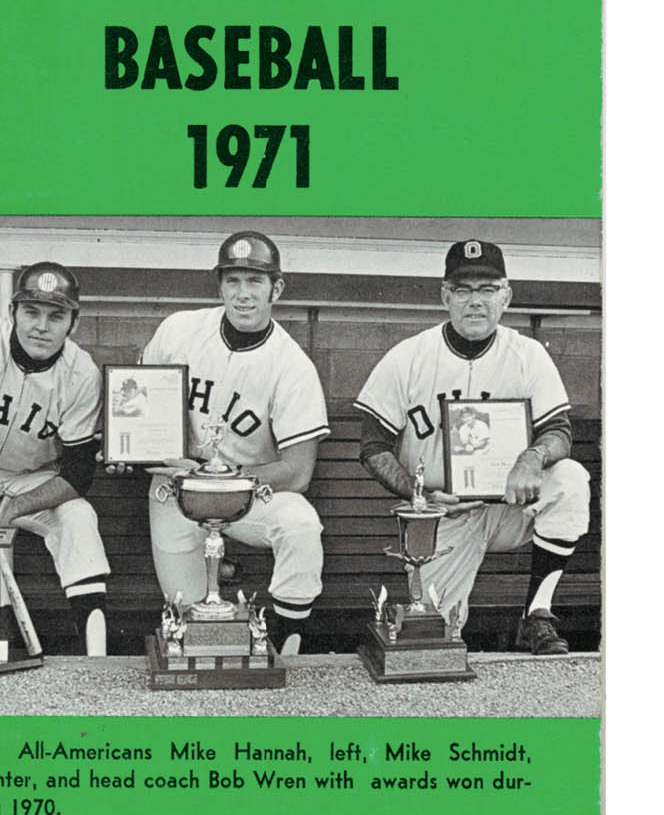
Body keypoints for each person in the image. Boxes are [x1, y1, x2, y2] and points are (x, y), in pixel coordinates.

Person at [353, 238, 591, 653]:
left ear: (506, 296)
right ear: (445, 296)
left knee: (570, 479)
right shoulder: (407, 357)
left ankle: (536, 614)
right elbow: (373, 445)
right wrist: (421, 494)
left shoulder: (527, 355)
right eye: (463, 290)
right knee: (432, 637)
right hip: (441, 514)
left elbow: (559, 430)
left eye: (487, 289)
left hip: (510, 507)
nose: (475, 302)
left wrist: (532, 458)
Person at [140, 230, 328, 653]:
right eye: (233, 281)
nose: (243, 294)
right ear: (219, 284)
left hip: (249, 496)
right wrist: (127, 449)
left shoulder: (292, 366)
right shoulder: (178, 331)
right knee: (187, 626)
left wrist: (219, 476)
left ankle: (284, 647)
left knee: (299, 525)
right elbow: (138, 402)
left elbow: (297, 472)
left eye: (255, 282)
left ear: (276, 288)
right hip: (176, 492)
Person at [0, 262, 109, 655]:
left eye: (56, 315)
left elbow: (78, 473)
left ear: (73, 324)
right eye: (31, 312)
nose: (41, 326)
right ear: (13, 312)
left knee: (79, 517)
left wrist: (14, 507)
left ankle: (98, 658)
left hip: (32, 478)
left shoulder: (81, 373)